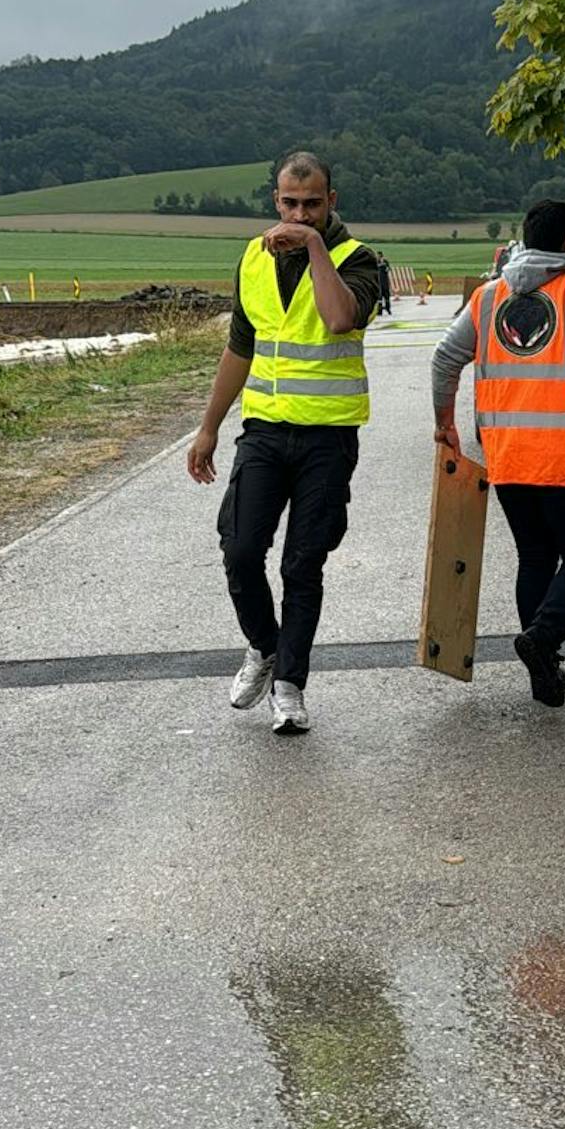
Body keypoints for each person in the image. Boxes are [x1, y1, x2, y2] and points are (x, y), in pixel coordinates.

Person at [186, 149, 381, 734]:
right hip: (265, 433)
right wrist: (208, 426)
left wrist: (315, 247)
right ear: (275, 199)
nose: (298, 214)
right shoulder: (251, 257)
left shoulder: (359, 259)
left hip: (327, 438)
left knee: (303, 564)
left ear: (331, 203)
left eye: (312, 204)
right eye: (289, 203)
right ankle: (263, 647)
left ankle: (290, 687)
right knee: (241, 548)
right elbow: (239, 347)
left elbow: (340, 317)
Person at [431, 199, 565, 706]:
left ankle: (544, 668)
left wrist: (445, 424)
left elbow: (444, 359)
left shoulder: (487, 298)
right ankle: (544, 638)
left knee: (535, 555)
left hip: (508, 454)